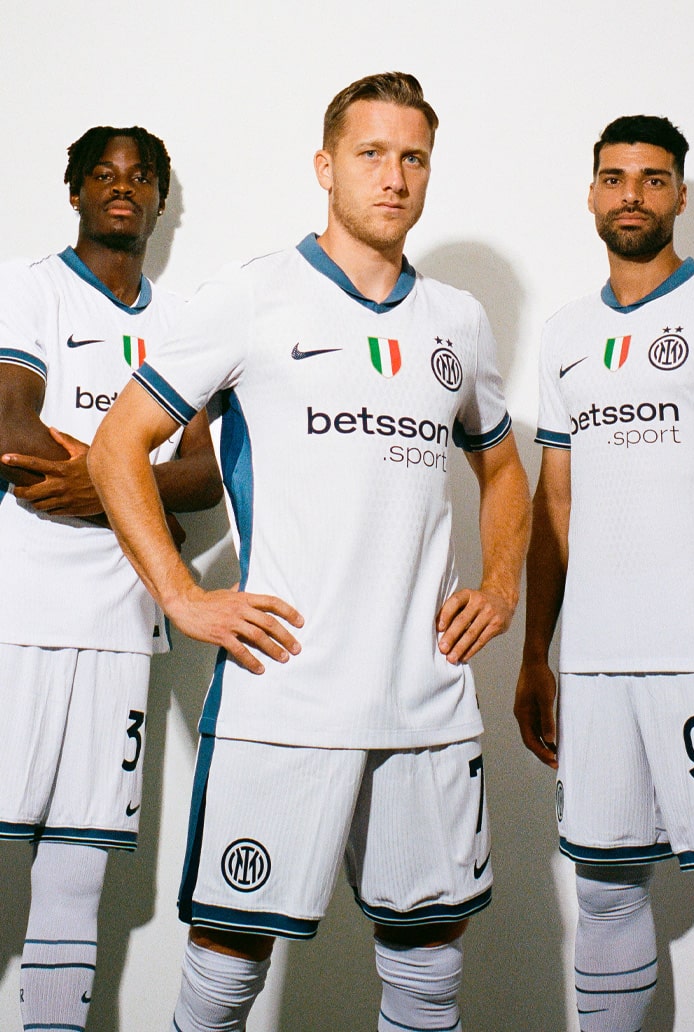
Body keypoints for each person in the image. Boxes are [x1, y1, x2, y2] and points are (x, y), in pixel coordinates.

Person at [89, 72, 531, 1032]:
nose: (394, 177)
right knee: (224, 969)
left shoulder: (457, 320)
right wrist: (181, 594)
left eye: (413, 158)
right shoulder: (252, 297)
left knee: (429, 970)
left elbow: (502, 466)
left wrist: (501, 585)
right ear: (326, 167)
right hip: (284, 695)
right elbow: (117, 444)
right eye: (371, 154)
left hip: (426, 700)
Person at [0, 125, 222, 1032]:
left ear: (161, 199)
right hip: (20, 613)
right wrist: (138, 493)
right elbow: (14, 438)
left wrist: (104, 484)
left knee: (77, 870)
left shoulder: (186, 323)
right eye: (103, 173)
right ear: (75, 191)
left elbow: (203, 476)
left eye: (139, 177)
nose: (121, 187)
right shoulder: (29, 288)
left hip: (124, 624)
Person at [514, 114, 694, 1031]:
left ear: (679, 195)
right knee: (605, 886)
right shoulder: (565, 333)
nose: (632, 195)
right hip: (594, 662)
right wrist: (536, 654)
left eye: (652, 178)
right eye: (614, 178)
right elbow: (554, 506)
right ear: (592, 193)